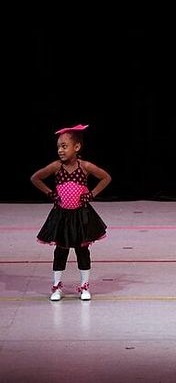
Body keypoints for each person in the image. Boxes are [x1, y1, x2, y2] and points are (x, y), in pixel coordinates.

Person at [30, 124, 111, 301]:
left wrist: (91, 195)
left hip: (81, 215)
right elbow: (35, 178)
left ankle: (84, 286)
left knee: (82, 251)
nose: (60, 150)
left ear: (77, 147)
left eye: (64, 146)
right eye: (58, 146)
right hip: (61, 216)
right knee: (61, 250)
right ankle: (57, 287)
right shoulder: (56, 167)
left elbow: (106, 177)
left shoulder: (85, 166)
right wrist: (50, 193)